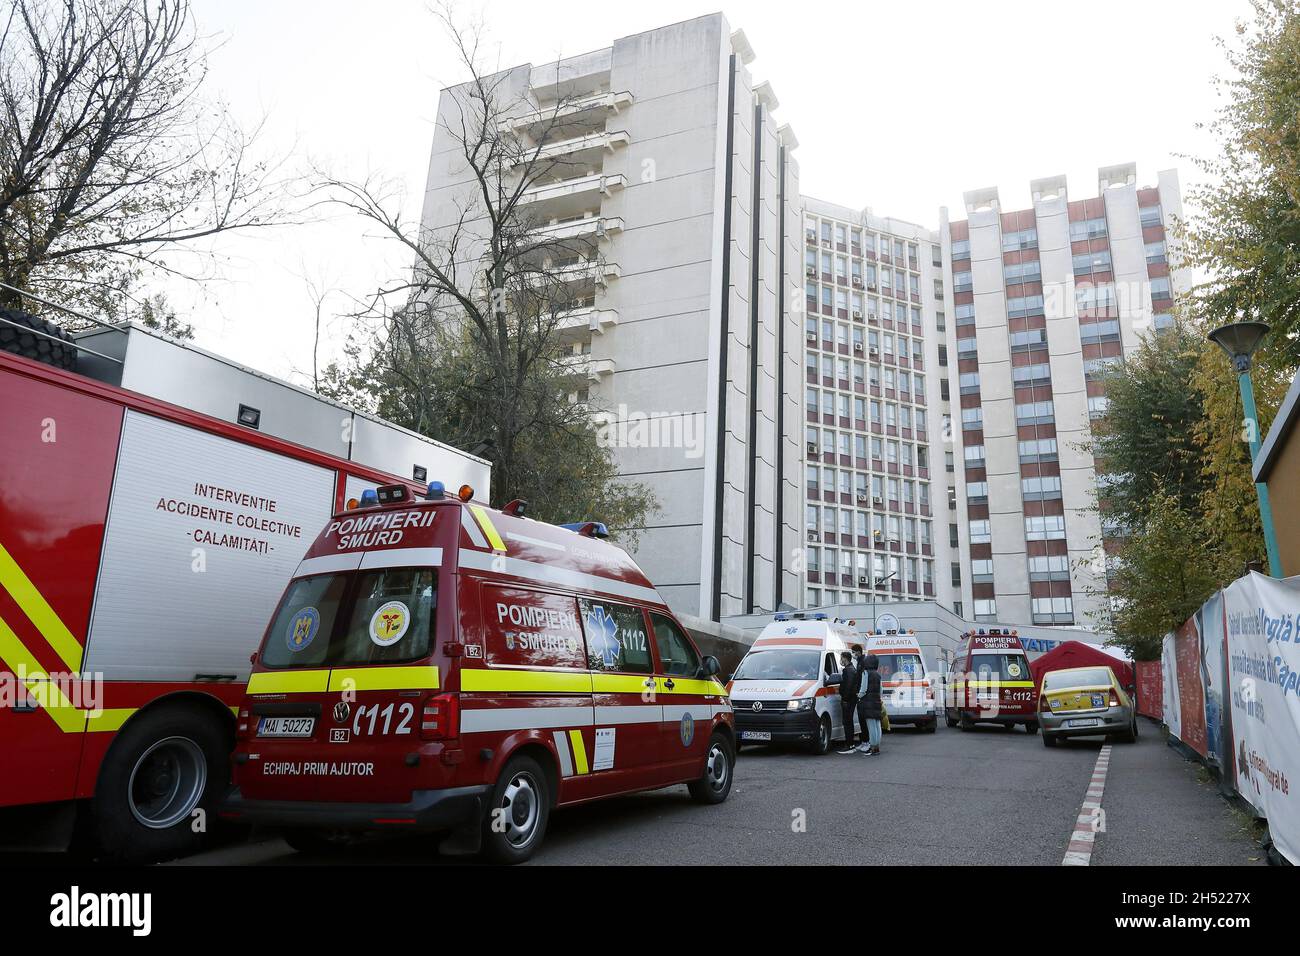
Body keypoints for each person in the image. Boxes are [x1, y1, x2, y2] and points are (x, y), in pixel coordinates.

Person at [857, 653, 883, 756]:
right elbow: (881, 690)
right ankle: (876, 747)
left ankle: (872, 748)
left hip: (867, 702)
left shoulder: (865, 673)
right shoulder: (878, 674)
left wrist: (858, 695)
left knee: (870, 725)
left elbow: (863, 689)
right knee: (877, 724)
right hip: (876, 701)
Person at [835, 651, 860, 753]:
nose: (841, 660)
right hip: (851, 699)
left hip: (848, 700)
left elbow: (848, 686)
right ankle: (851, 744)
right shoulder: (852, 669)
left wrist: (845, 698)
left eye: (841, 658)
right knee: (849, 721)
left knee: (847, 722)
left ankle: (849, 745)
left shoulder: (848, 670)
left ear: (845, 658)